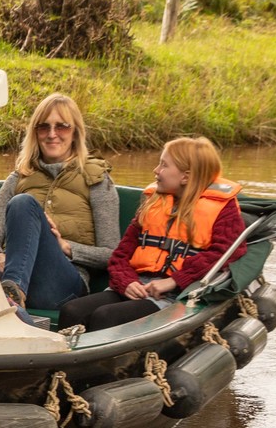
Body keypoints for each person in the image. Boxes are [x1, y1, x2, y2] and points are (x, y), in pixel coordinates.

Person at [59, 136, 247, 331]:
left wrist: (174, 281)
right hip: (137, 286)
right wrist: (126, 282)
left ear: (186, 176)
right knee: (72, 311)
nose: (156, 171)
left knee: (106, 317)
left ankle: (105, 362)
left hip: (174, 296)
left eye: (163, 165)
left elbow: (226, 253)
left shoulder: (223, 211)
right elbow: (120, 256)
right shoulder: (152, 205)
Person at [0, 93, 119, 311]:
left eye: (62, 127)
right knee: (22, 202)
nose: (52, 134)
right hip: (10, 274)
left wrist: (66, 247)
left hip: (63, 285)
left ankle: (12, 295)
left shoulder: (96, 178)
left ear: (75, 132)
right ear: (35, 133)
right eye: (43, 127)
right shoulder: (18, 178)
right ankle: (13, 292)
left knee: (24, 203)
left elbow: (111, 254)